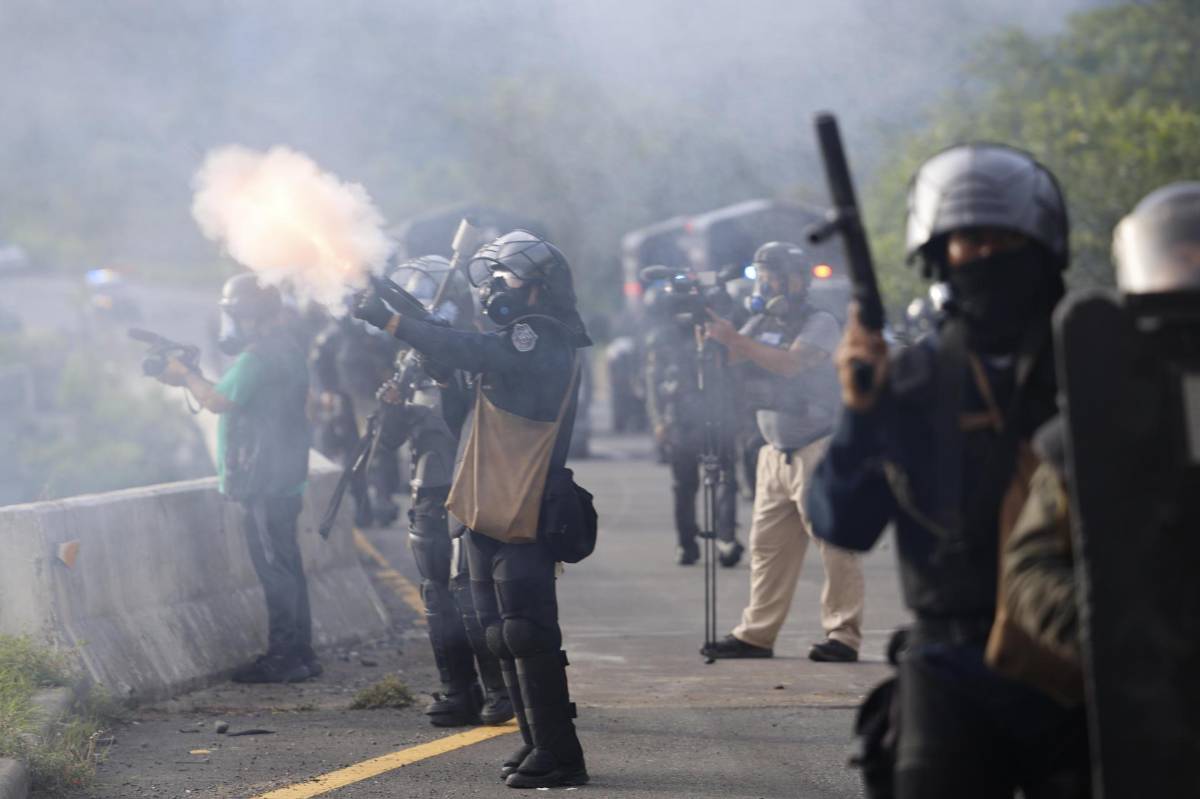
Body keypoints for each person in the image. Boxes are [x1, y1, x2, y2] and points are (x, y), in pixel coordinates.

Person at [805, 144, 1089, 796]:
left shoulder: (1092, 362)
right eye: (968, 243)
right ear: (941, 255)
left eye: (1001, 240)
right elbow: (840, 520)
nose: (985, 256)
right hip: (953, 658)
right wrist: (859, 415)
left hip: (1081, 650)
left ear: (1040, 248)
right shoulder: (910, 376)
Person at [355, 230, 591, 789]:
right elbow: (469, 411)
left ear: (538, 287)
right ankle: (536, 746)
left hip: (526, 498)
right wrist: (437, 366)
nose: (493, 290)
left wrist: (396, 322)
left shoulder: (544, 334)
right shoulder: (512, 343)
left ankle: (562, 754)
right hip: (487, 498)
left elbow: (475, 349)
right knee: (497, 632)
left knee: (528, 631)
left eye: (504, 278)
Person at [1000, 181, 1200, 796]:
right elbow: (1029, 568)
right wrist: (1116, 625)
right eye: (1179, 256)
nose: (1190, 272)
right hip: (1136, 704)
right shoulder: (1085, 432)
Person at [701, 241, 864, 662]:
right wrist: (713, 335)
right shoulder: (760, 321)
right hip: (773, 451)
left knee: (833, 544)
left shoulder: (820, 321)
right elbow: (736, 360)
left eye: (774, 275)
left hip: (817, 446)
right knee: (767, 547)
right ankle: (757, 634)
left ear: (797, 279)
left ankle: (842, 634)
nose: (767, 283)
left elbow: (792, 364)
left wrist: (735, 337)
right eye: (762, 275)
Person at [373, 256, 513, 727]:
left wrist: (438, 367)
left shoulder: (474, 348)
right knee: (437, 594)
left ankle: (500, 690)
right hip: (427, 484)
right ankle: (458, 689)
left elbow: (464, 409)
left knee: (472, 592)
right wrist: (391, 405)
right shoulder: (407, 358)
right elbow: (391, 440)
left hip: (468, 479)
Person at [158, 273, 316, 683]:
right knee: (288, 565)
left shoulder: (257, 357)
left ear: (247, 315)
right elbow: (237, 394)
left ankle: (284, 658)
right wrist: (192, 373)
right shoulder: (288, 350)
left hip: (263, 480)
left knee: (274, 570)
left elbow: (218, 399)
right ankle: (301, 654)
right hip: (285, 475)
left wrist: (184, 376)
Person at [642, 278, 742, 566]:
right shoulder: (660, 338)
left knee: (725, 478)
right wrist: (658, 421)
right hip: (680, 420)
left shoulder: (716, 331)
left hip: (719, 415)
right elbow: (652, 383)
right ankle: (687, 543)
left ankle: (726, 538)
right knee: (684, 486)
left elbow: (734, 372)